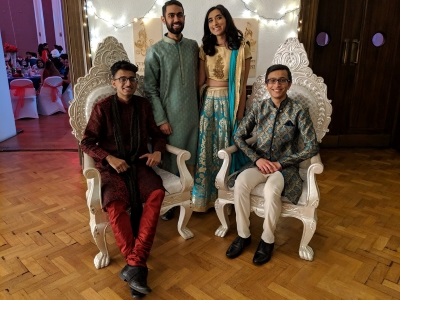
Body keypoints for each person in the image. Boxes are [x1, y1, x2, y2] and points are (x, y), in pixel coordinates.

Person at [80, 60, 167, 299]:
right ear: (113, 82)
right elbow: (86, 142)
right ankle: (137, 265)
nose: (128, 83)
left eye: (131, 79)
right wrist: (108, 158)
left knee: (156, 193)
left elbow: (156, 134)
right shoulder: (103, 107)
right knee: (115, 204)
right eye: (122, 79)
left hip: (139, 164)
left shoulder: (143, 105)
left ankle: (134, 264)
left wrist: (158, 150)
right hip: (111, 169)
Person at [225, 64, 320, 265]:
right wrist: (256, 158)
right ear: (267, 85)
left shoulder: (298, 110)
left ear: (289, 83)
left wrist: (281, 163)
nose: (277, 84)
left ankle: (267, 240)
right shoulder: (259, 108)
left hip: (283, 168)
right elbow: (239, 136)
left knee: (271, 190)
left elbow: (311, 147)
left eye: (282, 80)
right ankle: (243, 235)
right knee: (241, 182)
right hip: (259, 164)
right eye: (272, 80)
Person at [191, 4, 252, 212]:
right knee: (206, 149)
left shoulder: (241, 48)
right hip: (208, 102)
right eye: (210, 20)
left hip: (230, 103)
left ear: (226, 19)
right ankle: (205, 199)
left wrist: (241, 114)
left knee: (227, 147)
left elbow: (242, 86)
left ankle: (228, 198)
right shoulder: (204, 49)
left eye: (218, 18)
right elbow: (200, 82)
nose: (215, 23)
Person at [144, 0, 199, 177]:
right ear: (163, 19)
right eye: (171, 15)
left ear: (184, 17)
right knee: (173, 160)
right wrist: (161, 120)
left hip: (194, 116)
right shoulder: (155, 51)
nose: (176, 19)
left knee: (194, 156)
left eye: (179, 15)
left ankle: (193, 200)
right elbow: (150, 89)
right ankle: (175, 201)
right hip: (170, 119)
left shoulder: (193, 46)